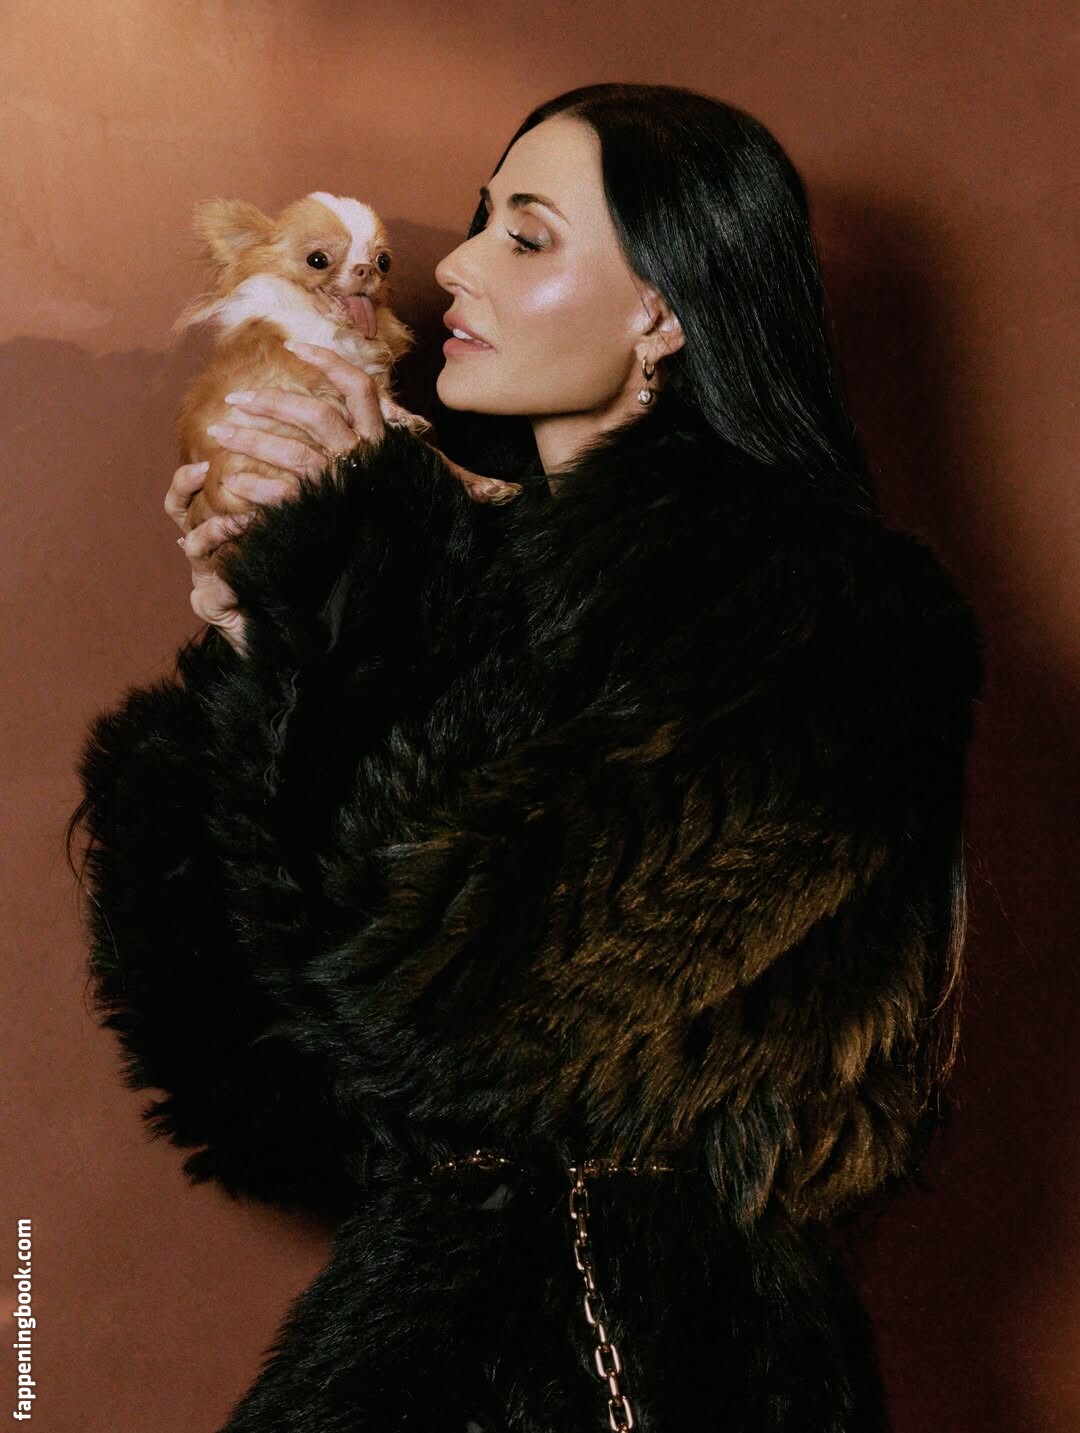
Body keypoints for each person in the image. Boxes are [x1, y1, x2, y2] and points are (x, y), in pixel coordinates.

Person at [67, 82, 985, 1432]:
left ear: (663, 311)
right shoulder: (460, 573)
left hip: (648, 1366)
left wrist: (354, 584)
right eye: (482, 217)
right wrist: (256, 654)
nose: (454, 264)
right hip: (409, 1346)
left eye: (528, 235)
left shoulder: (830, 621)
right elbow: (254, 1097)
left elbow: (450, 1006)